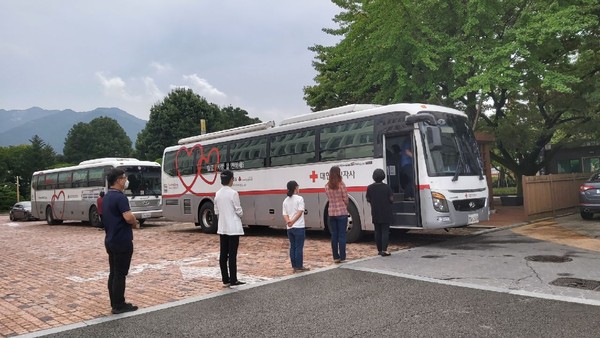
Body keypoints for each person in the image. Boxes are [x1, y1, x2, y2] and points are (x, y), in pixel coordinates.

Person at [103, 168, 140, 314]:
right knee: (120, 273)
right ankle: (119, 304)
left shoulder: (106, 197)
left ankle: (114, 301)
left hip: (110, 239)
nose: (126, 180)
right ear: (118, 180)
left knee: (113, 272)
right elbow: (128, 217)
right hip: (122, 240)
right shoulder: (120, 197)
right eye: (124, 178)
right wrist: (135, 223)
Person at [214, 170, 245, 287]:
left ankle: (225, 278)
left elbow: (216, 211)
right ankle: (233, 279)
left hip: (222, 227)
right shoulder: (233, 193)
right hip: (233, 227)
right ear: (231, 179)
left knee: (223, 254)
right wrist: (240, 213)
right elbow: (239, 211)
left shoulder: (217, 193)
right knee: (232, 254)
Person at [282, 180, 310, 273]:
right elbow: (300, 212)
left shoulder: (285, 200)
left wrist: (288, 222)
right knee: (299, 247)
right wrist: (293, 221)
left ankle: (294, 265)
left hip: (290, 228)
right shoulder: (300, 199)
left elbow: (284, 214)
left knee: (292, 246)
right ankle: (299, 266)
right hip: (299, 226)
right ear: (295, 188)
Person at [366, 168, 394, 256]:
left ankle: (379, 250)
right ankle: (384, 250)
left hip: (375, 211)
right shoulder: (386, 187)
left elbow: (368, 198)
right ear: (383, 176)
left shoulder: (370, 187)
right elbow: (391, 199)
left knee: (377, 231)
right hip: (386, 212)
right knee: (385, 231)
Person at [324, 166, 349, 263]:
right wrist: (344, 204)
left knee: (334, 235)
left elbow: (329, 198)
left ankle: (336, 257)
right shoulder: (341, 184)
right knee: (342, 235)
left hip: (331, 213)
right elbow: (345, 198)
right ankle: (342, 257)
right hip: (342, 212)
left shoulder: (326, 186)